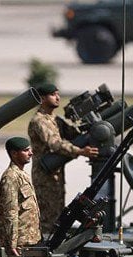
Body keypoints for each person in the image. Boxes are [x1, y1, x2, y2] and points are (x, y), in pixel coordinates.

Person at [28, 82, 99, 234]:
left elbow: (74, 133)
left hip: (56, 175)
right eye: (53, 95)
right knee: (48, 218)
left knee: (58, 215)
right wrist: (79, 151)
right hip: (44, 177)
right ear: (42, 98)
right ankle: (44, 248)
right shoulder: (39, 121)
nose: (58, 97)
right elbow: (55, 144)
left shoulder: (54, 119)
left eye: (58, 94)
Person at [0, 137, 41, 257]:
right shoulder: (10, 177)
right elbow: (10, 213)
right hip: (18, 245)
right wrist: (11, 244)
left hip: (28, 240)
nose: (30, 153)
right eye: (26, 150)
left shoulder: (22, 175)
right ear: (14, 154)